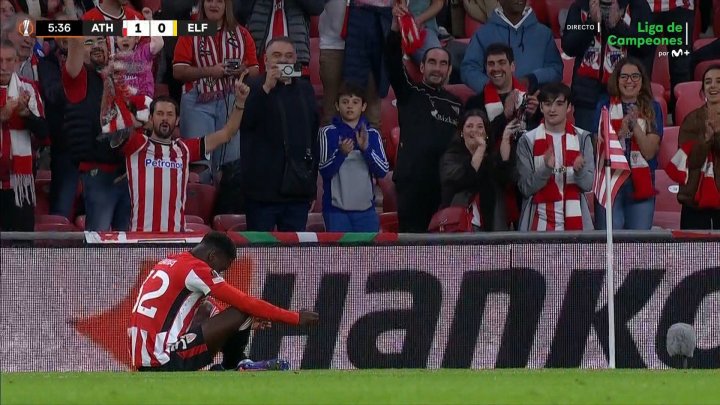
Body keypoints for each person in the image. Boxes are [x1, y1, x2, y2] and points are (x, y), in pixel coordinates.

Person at [128, 231, 320, 371]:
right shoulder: (197, 269)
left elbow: (207, 307)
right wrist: (294, 317)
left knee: (209, 307)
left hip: (143, 358)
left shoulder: (170, 261)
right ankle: (235, 364)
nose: (220, 273)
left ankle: (236, 364)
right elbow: (246, 303)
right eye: (222, 268)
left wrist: (236, 325)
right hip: (164, 359)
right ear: (212, 256)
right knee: (241, 310)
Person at [113, 76, 250, 232]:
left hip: (175, 238)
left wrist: (240, 102)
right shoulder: (136, 145)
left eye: (170, 114)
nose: (165, 118)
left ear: (177, 120)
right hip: (140, 236)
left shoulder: (184, 149)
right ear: (150, 118)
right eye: (160, 113)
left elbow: (227, 134)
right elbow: (118, 120)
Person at [385, 2, 462, 233]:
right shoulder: (410, 92)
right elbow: (391, 61)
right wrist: (394, 28)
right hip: (412, 185)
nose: (437, 69)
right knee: (412, 249)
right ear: (421, 65)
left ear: (449, 70)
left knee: (444, 252)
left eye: (443, 64)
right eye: (432, 62)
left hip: (445, 187)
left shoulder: (458, 104)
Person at [173, 0, 259, 183]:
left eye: (219, 1)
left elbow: (255, 70)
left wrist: (241, 70)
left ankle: (225, 209)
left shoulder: (242, 33)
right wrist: (210, 71)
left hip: (231, 99)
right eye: (209, 0)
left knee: (230, 168)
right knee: (200, 165)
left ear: (227, 5)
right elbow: (178, 71)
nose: (214, 5)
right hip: (197, 101)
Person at [240, 37, 319, 231]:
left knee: (292, 257)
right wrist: (266, 87)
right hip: (261, 194)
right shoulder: (252, 87)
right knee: (260, 256)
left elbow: (313, 135)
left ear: (295, 60)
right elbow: (245, 123)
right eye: (277, 55)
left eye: (288, 56)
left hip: (297, 192)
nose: (283, 60)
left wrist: (310, 186)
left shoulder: (305, 89)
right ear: (265, 61)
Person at [63, 35, 131, 231]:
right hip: (98, 171)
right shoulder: (78, 78)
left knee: (126, 242)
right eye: (89, 42)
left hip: (127, 171)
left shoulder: (117, 78)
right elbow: (74, 45)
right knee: (98, 242)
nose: (96, 47)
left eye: (100, 41)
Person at [561, 0, 652, 133]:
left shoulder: (637, 5)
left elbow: (646, 46)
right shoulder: (580, 6)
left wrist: (617, 27)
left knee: (621, 146)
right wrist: (591, 24)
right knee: (589, 148)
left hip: (625, 94)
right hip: (586, 96)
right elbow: (569, 47)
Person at [593, 57, 662, 230]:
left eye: (635, 76)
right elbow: (599, 150)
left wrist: (635, 128)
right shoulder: (604, 107)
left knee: (638, 244)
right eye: (624, 76)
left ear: (642, 80)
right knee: (609, 240)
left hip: (641, 181)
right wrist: (621, 132)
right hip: (611, 180)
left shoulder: (653, 108)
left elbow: (649, 152)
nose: (629, 81)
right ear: (617, 80)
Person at [516, 82, 595, 231]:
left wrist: (579, 171)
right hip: (538, 224)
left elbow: (587, 185)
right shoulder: (527, 141)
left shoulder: (583, 138)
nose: (552, 109)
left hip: (575, 225)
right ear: (541, 107)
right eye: (547, 104)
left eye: (559, 104)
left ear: (569, 107)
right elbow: (525, 188)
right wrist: (545, 169)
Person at [318, 82, 389, 232]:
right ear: (337, 106)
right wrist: (341, 153)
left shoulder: (372, 134)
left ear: (363, 106)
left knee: (368, 255)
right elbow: (324, 171)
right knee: (338, 256)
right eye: (345, 102)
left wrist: (366, 150)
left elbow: (382, 171)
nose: (350, 106)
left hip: (366, 212)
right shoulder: (327, 132)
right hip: (335, 212)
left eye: (355, 102)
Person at [460, 0, 562, 94]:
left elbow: (556, 69)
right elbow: (469, 69)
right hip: (494, 105)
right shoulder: (482, 34)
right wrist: (494, 88)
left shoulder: (544, 33)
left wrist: (532, 79)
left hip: (535, 103)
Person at [0, 39, 47, 231]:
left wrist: (26, 114)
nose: (3, 66)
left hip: (19, 186)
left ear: (17, 61)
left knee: (21, 249)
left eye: (9, 60)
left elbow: (44, 135)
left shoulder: (28, 88)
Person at [667, 65, 720, 230]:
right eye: (708, 82)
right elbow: (691, 161)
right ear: (703, 89)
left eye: (718, 81)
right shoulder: (691, 120)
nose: (713, 86)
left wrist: (716, 136)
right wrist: (706, 140)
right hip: (694, 201)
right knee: (693, 255)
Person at [438, 109, 498, 231]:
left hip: (487, 225)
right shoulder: (450, 158)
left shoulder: (491, 160)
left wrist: (506, 138)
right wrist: (480, 148)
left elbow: (506, 177)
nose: (474, 130)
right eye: (469, 126)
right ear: (461, 132)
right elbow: (466, 178)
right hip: (457, 226)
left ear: (486, 133)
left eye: (480, 127)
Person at [246, 0, 324, 72]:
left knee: (296, 85)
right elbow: (239, 12)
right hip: (258, 55)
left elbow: (316, 8)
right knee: (261, 86)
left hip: (297, 54)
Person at [114, 7, 163, 98]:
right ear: (116, 39)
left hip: (144, 100)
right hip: (122, 103)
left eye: (129, 36)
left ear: (136, 39)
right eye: (121, 36)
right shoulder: (113, 57)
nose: (125, 39)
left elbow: (159, 43)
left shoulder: (143, 52)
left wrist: (149, 21)